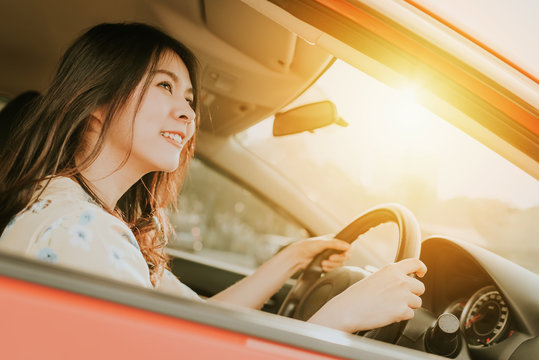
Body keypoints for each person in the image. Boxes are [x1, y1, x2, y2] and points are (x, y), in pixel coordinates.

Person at [0, 22, 426, 332]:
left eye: (187, 97)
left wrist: (295, 257)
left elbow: (204, 319)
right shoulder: (83, 231)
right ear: (96, 101)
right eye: (163, 86)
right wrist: (341, 317)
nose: (187, 112)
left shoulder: (80, 214)